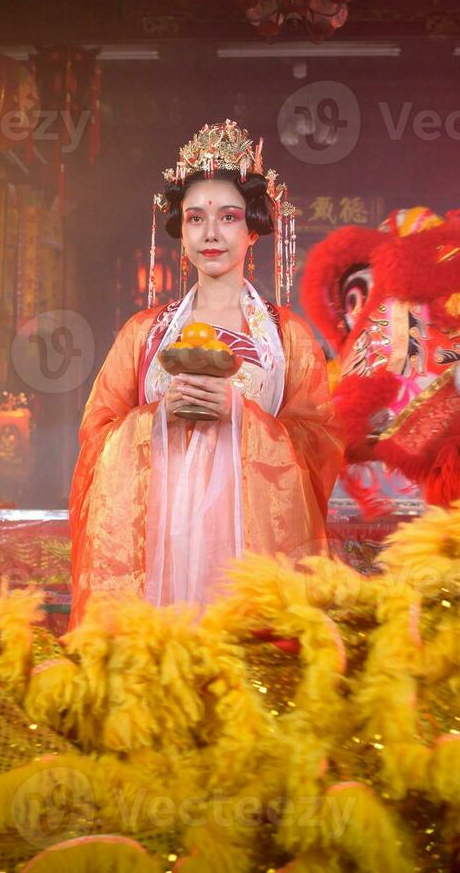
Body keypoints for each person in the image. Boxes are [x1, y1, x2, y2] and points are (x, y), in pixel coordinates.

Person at [69, 121, 344, 623]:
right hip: (158, 546)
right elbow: (95, 436)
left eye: (229, 217)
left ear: (253, 227)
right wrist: (157, 416)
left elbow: (320, 444)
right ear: (181, 229)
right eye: (196, 218)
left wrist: (240, 416)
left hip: (250, 547)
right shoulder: (143, 333)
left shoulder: (287, 338)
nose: (211, 233)